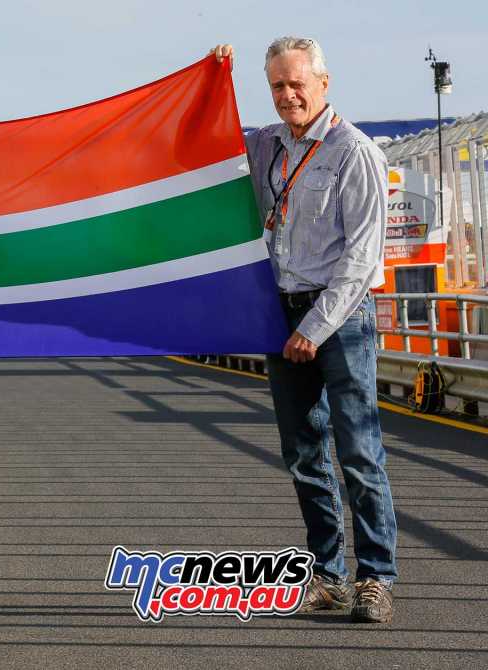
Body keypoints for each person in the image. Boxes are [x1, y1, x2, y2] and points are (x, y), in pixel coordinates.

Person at [212, 38, 397, 623]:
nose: (287, 95)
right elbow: (204, 148)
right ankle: (329, 574)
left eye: (297, 84)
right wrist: (214, 80)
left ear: (324, 82)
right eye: (276, 86)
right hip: (281, 313)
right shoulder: (267, 143)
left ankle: (375, 578)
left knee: (358, 452)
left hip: (338, 319)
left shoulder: (354, 153)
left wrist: (313, 328)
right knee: (303, 453)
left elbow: (362, 260)